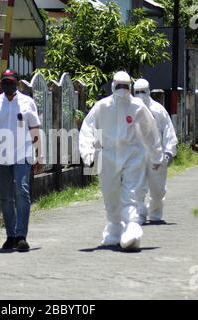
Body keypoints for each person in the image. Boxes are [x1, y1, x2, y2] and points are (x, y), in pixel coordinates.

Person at [79, 71, 163, 250]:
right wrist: (87, 153)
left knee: (132, 194)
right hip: (107, 155)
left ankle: (132, 226)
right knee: (110, 194)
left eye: (126, 86)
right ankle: (114, 228)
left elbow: (150, 131)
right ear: (113, 86)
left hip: (133, 154)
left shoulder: (138, 106)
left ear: (130, 88)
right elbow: (87, 128)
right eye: (119, 86)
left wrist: (156, 156)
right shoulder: (102, 107)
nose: (122, 90)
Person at [0, 70, 43, 252]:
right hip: (1, 155)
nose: (8, 85)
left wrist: (39, 154)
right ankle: (11, 235)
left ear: (17, 83)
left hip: (23, 154)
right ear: (1, 84)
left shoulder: (27, 102)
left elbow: (35, 130)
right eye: (5, 82)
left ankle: (22, 236)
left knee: (21, 190)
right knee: (6, 196)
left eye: (11, 81)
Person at [134, 79, 178, 225]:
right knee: (137, 188)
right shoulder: (129, 109)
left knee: (158, 190)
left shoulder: (158, 110)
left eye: (143, 92)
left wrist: (169, 152)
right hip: (137, 155)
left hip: (156, 155)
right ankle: (139, 214)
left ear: (148, 91)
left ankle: (155, 214)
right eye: (137, 92)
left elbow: (168, 131)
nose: (140, 95)